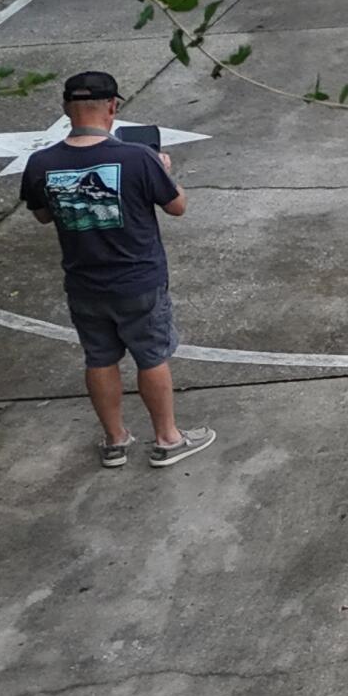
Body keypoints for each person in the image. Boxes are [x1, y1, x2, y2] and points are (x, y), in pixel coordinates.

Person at [18, 70, 212, 467]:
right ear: (112, 107)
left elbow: (41, 216)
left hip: (84, 283)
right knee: (152, 356)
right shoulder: (137, 157)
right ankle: (168, 438)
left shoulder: (41, 163)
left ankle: (115, 440)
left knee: (99, 358)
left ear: (66, 109)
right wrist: (163, 169)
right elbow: (177, 207)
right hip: (138, 279)